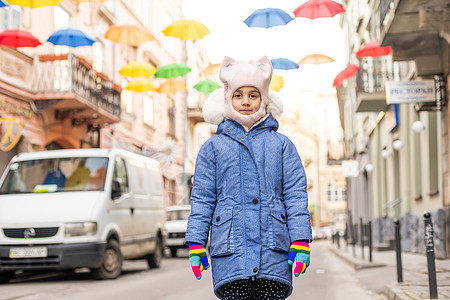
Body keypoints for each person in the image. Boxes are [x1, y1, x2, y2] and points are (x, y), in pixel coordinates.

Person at [185, 56, 312, 300]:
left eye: (253, 95)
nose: (245, 101)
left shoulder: (282, 145)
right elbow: (202, 198)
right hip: (231, 251)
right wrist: (196, 242)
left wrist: (300, 239)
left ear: (264, 98)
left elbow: (295, 194)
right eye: (238, 95)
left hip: (273, 251)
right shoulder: (212, 148)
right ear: (227, 98)